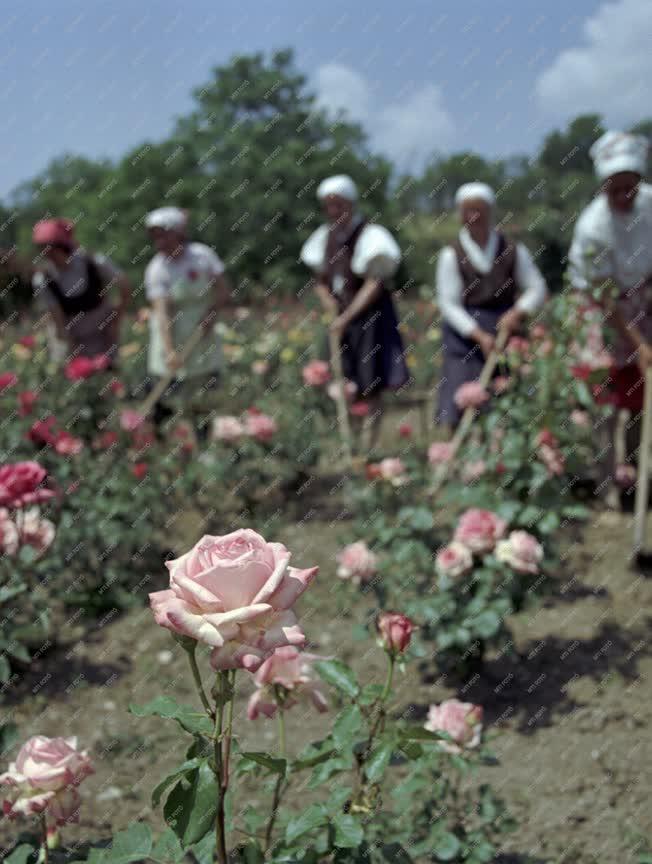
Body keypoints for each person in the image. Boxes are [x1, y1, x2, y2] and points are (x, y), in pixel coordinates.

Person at [568, 130, 652, 508]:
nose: (622, 197)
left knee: (638, 397)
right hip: (601, 307)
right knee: (606, 399)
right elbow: (603, 296)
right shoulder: (593, 227)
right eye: (613, 190)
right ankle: (605, 484)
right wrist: (637, 343)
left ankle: (634, 477)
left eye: (628, 188)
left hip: (643, 300)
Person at [300, 174, 408, 452]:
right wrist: (329, 303)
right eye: (328, 205)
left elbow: (375, 283)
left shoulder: (372, 236)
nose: (333, 211)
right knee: (339, 380)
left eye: (338, 205)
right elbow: (321, 281)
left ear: (350, 204)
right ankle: (348, 443)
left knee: (370, 382)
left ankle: (368, 445)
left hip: (370, 319)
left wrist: (346, 316)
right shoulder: (324, 238)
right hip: (340, 320)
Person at [435, 182, 547, 430]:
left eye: (479, 210)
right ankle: (464, 459)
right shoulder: (450, 255)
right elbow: (448, 303)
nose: (473, 217)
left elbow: (536, 287)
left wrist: (518, 312)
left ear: (490, 211)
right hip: (465, 337)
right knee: (463, 402)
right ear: (459, 214)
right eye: (467, 210)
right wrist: (479, 336)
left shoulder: (512, 249)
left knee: (509, 399)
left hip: (505, 330)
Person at [144, 206, 230, 439]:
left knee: (202, 395)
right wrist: (170, 351)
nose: (159, 241)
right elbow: (162, 313)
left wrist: (212, 314)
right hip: (169, 334)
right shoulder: (157, 269)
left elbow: (223, 291)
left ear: (177, 233)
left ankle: (204, 443)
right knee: (166, 393)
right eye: (154, 235)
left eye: (163, 234)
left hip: (202, 333)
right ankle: (157, 443)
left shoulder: (202, 256)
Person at [31, 218, 130, 364]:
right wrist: (76, 356)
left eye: (51, 250)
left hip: (103, 331)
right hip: (72, 337)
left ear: (63, 246)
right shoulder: (42, 280)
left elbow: (124, 285)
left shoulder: (94, 262)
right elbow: (58, 322)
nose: (48, 255)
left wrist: (116, 319)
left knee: (109, 369)